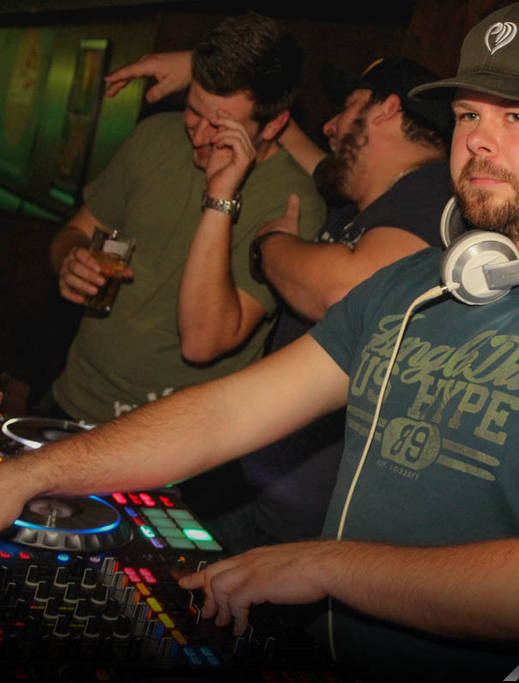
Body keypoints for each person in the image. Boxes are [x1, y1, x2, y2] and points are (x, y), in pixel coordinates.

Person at [0, 4, 519, 681]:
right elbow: (226, 413)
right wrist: (28, 475)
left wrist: (321, 562)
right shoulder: (413, 285)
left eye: (517, 117)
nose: (479, 142)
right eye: (469, 115)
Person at [107, 52, 455, 552]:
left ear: (386, 109)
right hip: (258, 491)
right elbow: (286, 135)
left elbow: (347, 293)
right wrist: (207, 71)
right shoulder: (364, 205)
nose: (330, 125)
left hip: (302, 529)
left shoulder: (433, 191)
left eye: (347, 107)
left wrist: (270, 246)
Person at [40, 12, 325, 424]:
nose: (200, 135)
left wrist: (220, 198)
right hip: (73, 398)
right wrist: (70, 259)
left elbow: (203, 342)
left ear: (275, 124)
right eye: (193, 111)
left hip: (173, 435)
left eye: (222, 126)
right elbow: (75, 231)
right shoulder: (154, 136)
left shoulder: (293, 202)